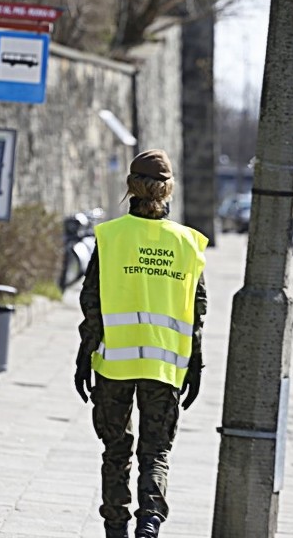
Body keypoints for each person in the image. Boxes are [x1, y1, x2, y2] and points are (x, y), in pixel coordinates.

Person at [75, 149, 208, 538]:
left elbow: (92, 301)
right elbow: (196, 309)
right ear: (168, 191)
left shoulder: (111, 237)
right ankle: (150, 521)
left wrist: (85, 353)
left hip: (114, 363)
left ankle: (115, 527)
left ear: (130, 186)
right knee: (156, 453)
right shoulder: (187, 243)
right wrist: (194, 362)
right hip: (164, 367)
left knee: (116, 451)